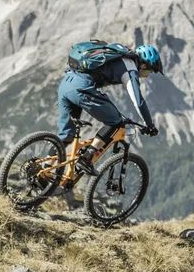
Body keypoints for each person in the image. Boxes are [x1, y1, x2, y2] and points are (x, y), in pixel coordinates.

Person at [56, 43, 163, 176]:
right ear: (143, 65)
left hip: (66, 84)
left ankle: (43, 171)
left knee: (66, 136)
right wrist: (149, 125)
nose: (148, 75)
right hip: (81, 89)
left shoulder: (118, 58)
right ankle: (86, 158)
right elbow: (139, 102)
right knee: (116, 122)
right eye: (150, 71)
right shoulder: (130, 68)